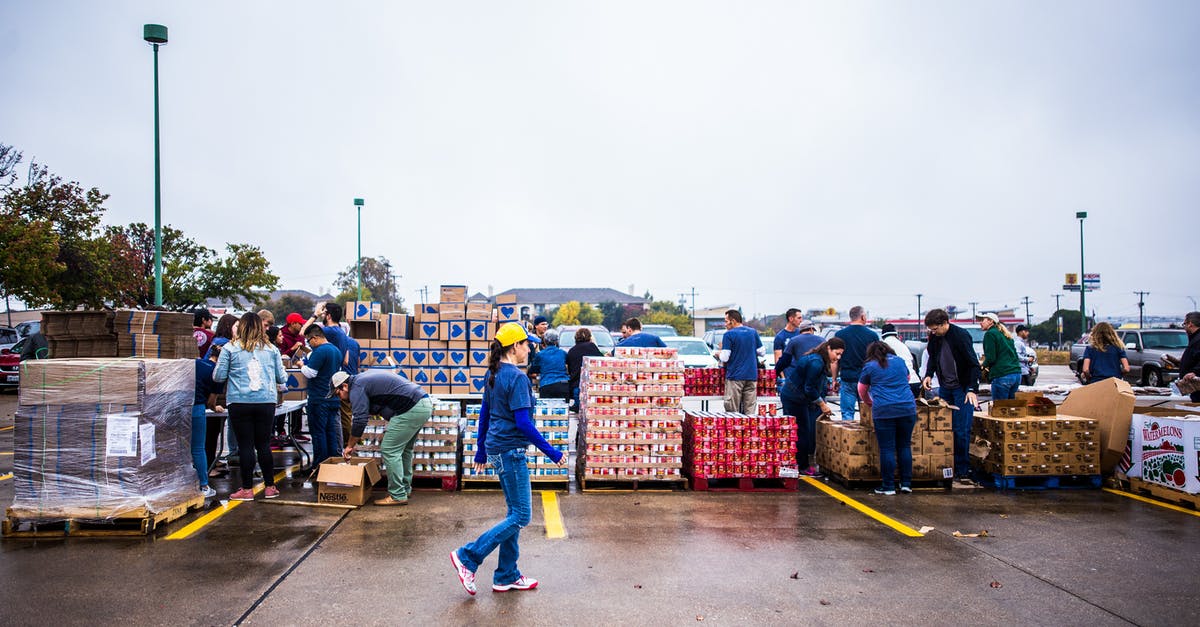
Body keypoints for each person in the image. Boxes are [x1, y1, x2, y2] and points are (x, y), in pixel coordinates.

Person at [451, 323, 565, 595]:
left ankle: (506, 575)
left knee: (514, 513)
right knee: (522, 516)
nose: (530, 349)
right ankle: (468, 557)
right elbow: (523, 423)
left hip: (498, 449)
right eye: (527, 344)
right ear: (515, 346)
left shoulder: (494, 373)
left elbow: (485, 414)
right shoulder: (517, 378)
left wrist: (481, 449)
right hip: (511, 451)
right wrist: (552, 453)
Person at [212, 311, 288, 501]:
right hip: (266, 401)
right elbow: (282, 378)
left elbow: (218, 377)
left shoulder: (230, 348)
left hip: (239, 401)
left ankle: (247, 489)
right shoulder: (271, 350)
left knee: (245, 445)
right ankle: (270, 487)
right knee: (263, 444)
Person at [338, 369, 433, 506]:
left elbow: (359, 420)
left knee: (389, 449)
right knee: (404, 449)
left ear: (345, 386)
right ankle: (404, 490)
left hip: (410, 408)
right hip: (423, 403)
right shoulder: (362, 379)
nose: (340, 398)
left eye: (338, 393)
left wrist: (350, 446)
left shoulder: (356, 388)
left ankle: (398, 495)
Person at [922, 309, 981, 485]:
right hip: (945, 388)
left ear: (944, 324)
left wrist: (971, 389)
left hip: (962, 389)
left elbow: (973, 364)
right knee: (945, 429)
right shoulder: (935, 338)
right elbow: (933, 358)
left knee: (961, 429)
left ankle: (963, 469)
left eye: (935, 329)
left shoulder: (961, 336)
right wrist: (928, 374)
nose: (933, 332)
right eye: (931, 330)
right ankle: (948, 466)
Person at [858, 342, 919, 495]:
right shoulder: (900, 361)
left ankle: (889, 486)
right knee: (904, 446)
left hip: (884, 410)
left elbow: (861, 389)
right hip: (907, 408)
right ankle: (906, 484)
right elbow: (908, 377)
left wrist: (869, 402)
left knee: (887, 449)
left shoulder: (870, 366)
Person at [779, 338, 844, 476]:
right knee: (802, 433)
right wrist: (822, 404)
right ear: (828, 348)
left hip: (797, 397)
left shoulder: (818, 359)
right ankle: (802, 466)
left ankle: (795, 464)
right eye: (836, 353)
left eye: (840, 355)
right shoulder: (816, 363)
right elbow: (809, 388)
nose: (838, 358)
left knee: (801, 432)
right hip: (794, 398)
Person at [301, 325, 344, 467]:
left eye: (309, 341)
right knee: (331, 432)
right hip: (333, 398)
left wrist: (301, 365)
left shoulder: (320, 351)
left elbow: (311, 373)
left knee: (319, 433)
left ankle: (319, 465)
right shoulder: (336, 350)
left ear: (315, 338)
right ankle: (332, 463)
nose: (309, 344)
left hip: (319, 398)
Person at [193, 345, 225, 498]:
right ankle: (204, 486)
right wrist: (215, 407)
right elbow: (211, 402)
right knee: (198, 448)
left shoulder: (197, 363)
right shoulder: (217, 374)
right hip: (197, 407)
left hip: (180, 406)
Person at [834, 306, 877, 421]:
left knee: (847, 413)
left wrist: (834, 379)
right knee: (869, 413)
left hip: (847, 378)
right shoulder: (872, 336)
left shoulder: (840, 335)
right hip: (867, 380)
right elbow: (877, 359)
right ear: (862, 316)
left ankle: (848, 438)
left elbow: (835, 361)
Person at [719, 309, 762, 414]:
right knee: (750, 410)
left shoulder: (728, 335)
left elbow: (724, 358)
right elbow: (762, 352)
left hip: (735, 376)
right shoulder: (752, 332)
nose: (725, 324)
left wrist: (719, 353)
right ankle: (749, 429)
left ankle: (736, 430)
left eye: (726, 321)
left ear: (733, 321)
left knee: (732, 411)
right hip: (751, 375)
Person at [978, 313, 1021, 400]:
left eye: (983, 320)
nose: (980, 323)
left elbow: (991, 358)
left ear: (991, 321)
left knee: (1000, 409)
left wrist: (981, 366)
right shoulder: (1005, 334)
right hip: (1016, 375)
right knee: (1011, 409)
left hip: (1002, 374)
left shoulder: (990, 334)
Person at [566, 327, 603, 410]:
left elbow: (569, 369)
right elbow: (601, 361)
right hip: (590, 385)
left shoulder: (572, 350)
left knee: (578, 412)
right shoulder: (592, 347)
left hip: (576, 386)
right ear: (590, 337)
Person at [529, 329, 571, 402]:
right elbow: (569, 366)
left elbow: (533, 370)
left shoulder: (540, 355)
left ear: (545, 341)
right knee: (563, 410)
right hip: (563, 385)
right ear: (557, 341)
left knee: (547, 411)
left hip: (546, 385)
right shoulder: (563, 353)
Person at [880, 324, 920, 398]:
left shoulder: (883, 346)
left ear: (883, 336)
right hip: (915, 381)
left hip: (900, 384)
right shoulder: (903, 345)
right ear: (895, 334)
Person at [1178, 312, 1200, 401]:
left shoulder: (1198, 339)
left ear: (1190, 324)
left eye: (1185, 324)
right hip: (1194, 386)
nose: (1184, 327)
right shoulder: (1195, 338)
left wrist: (1195, 372)